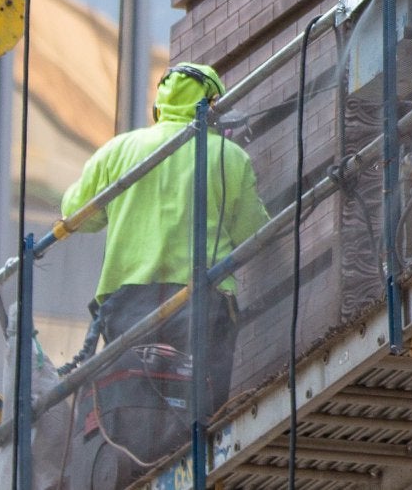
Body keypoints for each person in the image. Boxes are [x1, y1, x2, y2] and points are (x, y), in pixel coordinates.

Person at [59, 63, 269, 414]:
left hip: (127, 304)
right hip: (202, 298)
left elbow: (77, 214)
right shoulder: (228, 156)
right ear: (216, 105)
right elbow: (254, 232)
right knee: (201, 407)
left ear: (159, 107)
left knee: (137, 405)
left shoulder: (119, 151)